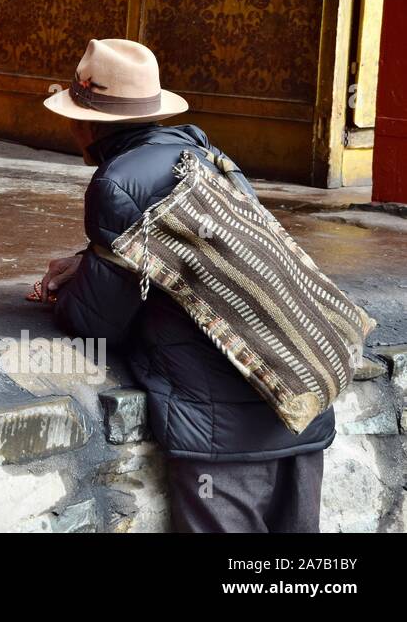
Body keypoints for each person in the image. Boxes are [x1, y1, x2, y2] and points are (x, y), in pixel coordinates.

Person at [38, 38, 333, 532]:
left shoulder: (117, 182)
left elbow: (97, 320)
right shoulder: (203, 153)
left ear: (88, 123)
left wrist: (60, 292)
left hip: (222, 431)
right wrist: (90, 260)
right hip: (297, 397)